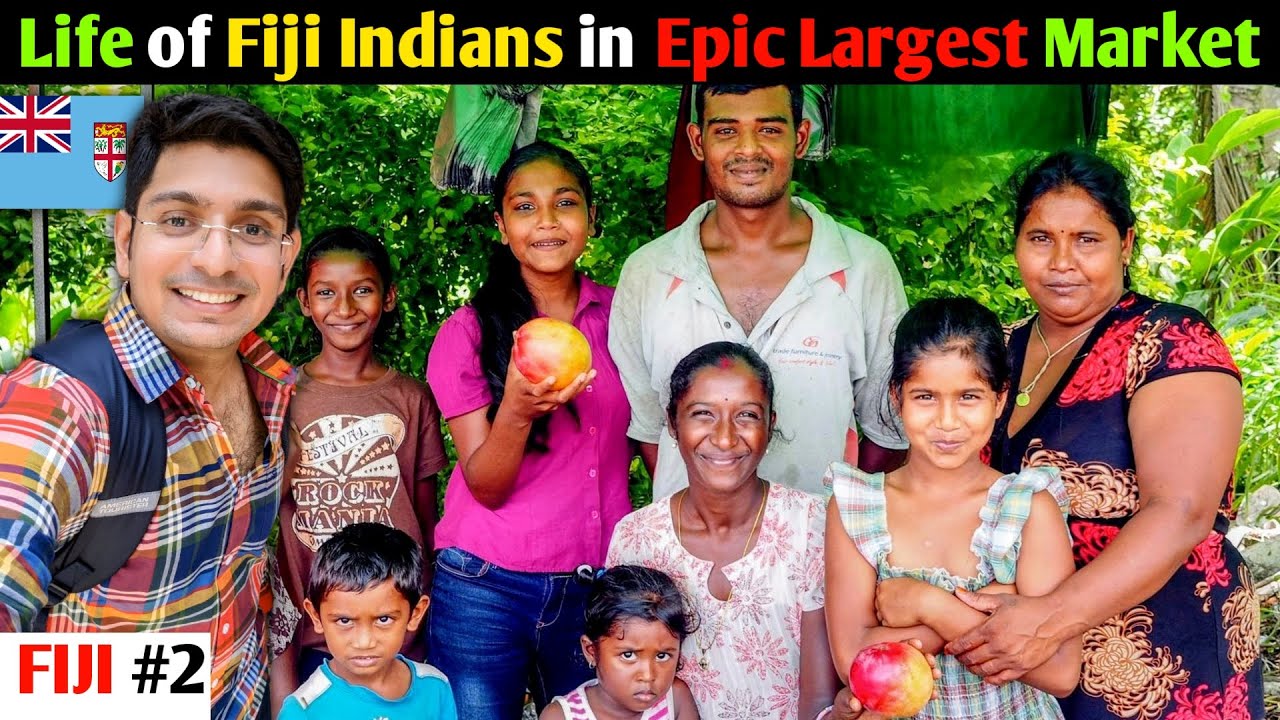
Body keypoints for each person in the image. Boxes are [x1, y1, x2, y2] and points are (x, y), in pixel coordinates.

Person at [0, 92, 304, 720]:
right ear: (125, 239)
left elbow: (238, 577)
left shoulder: (272, 387)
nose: (216, 260)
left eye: (252, 228)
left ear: (286, 255)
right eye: (178, 219)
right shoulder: (62, 409)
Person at [946, 149, 1263, 719]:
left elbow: (1183, 510)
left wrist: (1048, 620)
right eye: (1040, 238)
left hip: (1168, 661)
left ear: (1128, 243)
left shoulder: (1168, 340)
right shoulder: (998, 351)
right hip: (1027, 671)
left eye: (1087, 239)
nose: (1062, 261)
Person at [609, 83, 909, 500]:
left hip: (823, 555)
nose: (748, 149)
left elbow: (888, 433)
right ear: (698, 142)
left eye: (768, 129)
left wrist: (831, 522)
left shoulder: (864, 268)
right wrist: (707, 516)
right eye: (726, 131)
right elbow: (650, 430)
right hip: (685, 561)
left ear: (801, 138)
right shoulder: (647, 273)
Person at [424, 140, 633, 719]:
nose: (546, 221)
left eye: (565, 203)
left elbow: (658, 443)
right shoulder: (467, 334)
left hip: (595, 588)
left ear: (591, 217)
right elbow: (486, 486)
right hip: (484, 586)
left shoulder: (624, 319)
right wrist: (515, 409)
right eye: (524, 207)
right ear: (500, 224)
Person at [825, 296, 1080, 718]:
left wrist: (932, 606)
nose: (947, 421)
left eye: (969, 397)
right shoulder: (857, 506)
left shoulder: (1029, 507)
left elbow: (1058, 669)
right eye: (925, 396)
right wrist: (981, 608)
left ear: (999, 400)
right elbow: (853, 659)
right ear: (896, 396)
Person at [606, 341, 842, 719]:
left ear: (771, 423)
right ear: (672, 422)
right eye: (702, 414)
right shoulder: (638, 538)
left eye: (747, 415)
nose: (725, 438)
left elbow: (818, 699)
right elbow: (626, 681)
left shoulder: (811, 525)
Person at [270, 226, 448, 712]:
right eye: (326, 292)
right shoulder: (280, 396)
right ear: (305, 301)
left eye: (362, 291)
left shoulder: (410, 397)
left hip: (395, 630)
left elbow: (425, 520)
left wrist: (418, 613)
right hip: (318, 633)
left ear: (387, 298)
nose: (344, 308)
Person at [278, 522, 456, 720]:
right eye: (344, 621)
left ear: (415, 613)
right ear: (316, 616)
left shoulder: (435, 688)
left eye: (383, 619)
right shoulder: (303, 711)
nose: (364, 642)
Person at [541, 564, 700, 720]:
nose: (648, 675)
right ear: (592, 651)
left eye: (662, 656)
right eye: (629, 655)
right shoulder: (561, 716)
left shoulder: (675, 699)